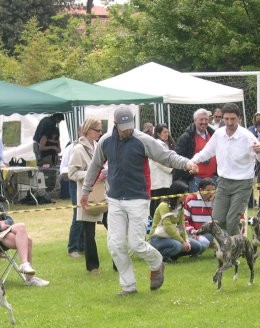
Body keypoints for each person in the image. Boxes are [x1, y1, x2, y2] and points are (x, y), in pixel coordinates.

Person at [80, 106, 199, 296]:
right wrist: (86, 191)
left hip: (138, 199)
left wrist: (187, 163)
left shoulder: (143, 140)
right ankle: (128, 286)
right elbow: (95, 166)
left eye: (130, 126)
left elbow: (166, 156)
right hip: (115, 199)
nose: (127, 130)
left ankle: (156, 261)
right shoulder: (105, 141)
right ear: (115, 124)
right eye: (123, 127)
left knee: (136, 244)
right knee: (115, 244)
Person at [190, 103, 260, 236]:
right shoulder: (219, 134)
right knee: (218, 220)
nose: (229, 122)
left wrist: (259, 151)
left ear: (239, 118)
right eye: (226, 119)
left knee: (232, 221)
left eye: (232, 119)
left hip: (243, 183)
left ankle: (236, 250)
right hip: (223, 182)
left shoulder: (247, 136)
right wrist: (191, 162)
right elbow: (206, 152)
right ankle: (234, 245)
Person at [68, 118, 106, 274]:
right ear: (89, 130)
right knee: (89, 232)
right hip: (87, 195)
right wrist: (93, 174)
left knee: (112, 225)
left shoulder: (98, 146)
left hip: (102, 193)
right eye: (98, 130)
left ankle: (119, 263)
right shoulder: (78, 149)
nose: (100, 133)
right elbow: (72, 173)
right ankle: (93, 267)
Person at [148, 181, 203, 262]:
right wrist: (182, 241)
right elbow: (168, 227)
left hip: (171, 237)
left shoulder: (180, 206)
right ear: (176, 194)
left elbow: (182, 226)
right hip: (157, 238)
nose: (186, 195)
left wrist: (186, 241)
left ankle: (173, 256)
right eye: (184, 193)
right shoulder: (164, 205)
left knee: (197, 246)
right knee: (178, 246)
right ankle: (158, 257)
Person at [175, 108, 217, 192]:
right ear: (195, 120)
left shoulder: (213, 135)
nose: (204, 122)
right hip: (195, 179)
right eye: (201, 119)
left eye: (206, 119)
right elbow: (178, 157)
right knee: (196, 204)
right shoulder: (186, 137)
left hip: (213, 178)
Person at [61, 125, 84, 257]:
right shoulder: (71, 148)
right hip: (74, 184)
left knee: (86, 215)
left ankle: (82, 246)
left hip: (88, 183)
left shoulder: (93, 146)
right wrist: (76, 173)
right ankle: (72, 248)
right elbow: (63, 169)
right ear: (79, 132)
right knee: (77, 215)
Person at [183, 177, 216, 251]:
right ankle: (195, 251)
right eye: (208, 191)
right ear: (201, 190)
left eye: (213, 190)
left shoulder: (217, 200)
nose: (211, 193)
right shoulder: (190, 199)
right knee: (204, 243)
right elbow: (184, 221)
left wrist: (215, 204)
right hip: (194, 233)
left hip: (210, 233)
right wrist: (194, 232)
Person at [149, 124, 175, 217]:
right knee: (157, 203)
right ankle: (153, 223)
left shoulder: (165, 144)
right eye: (164, 132)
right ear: (158, 133)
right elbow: (159, 160)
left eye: (168, 132)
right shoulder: (157, 144)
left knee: (161, 203)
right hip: (159, 179)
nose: (167, 134)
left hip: (163, 179)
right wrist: (171, 170)